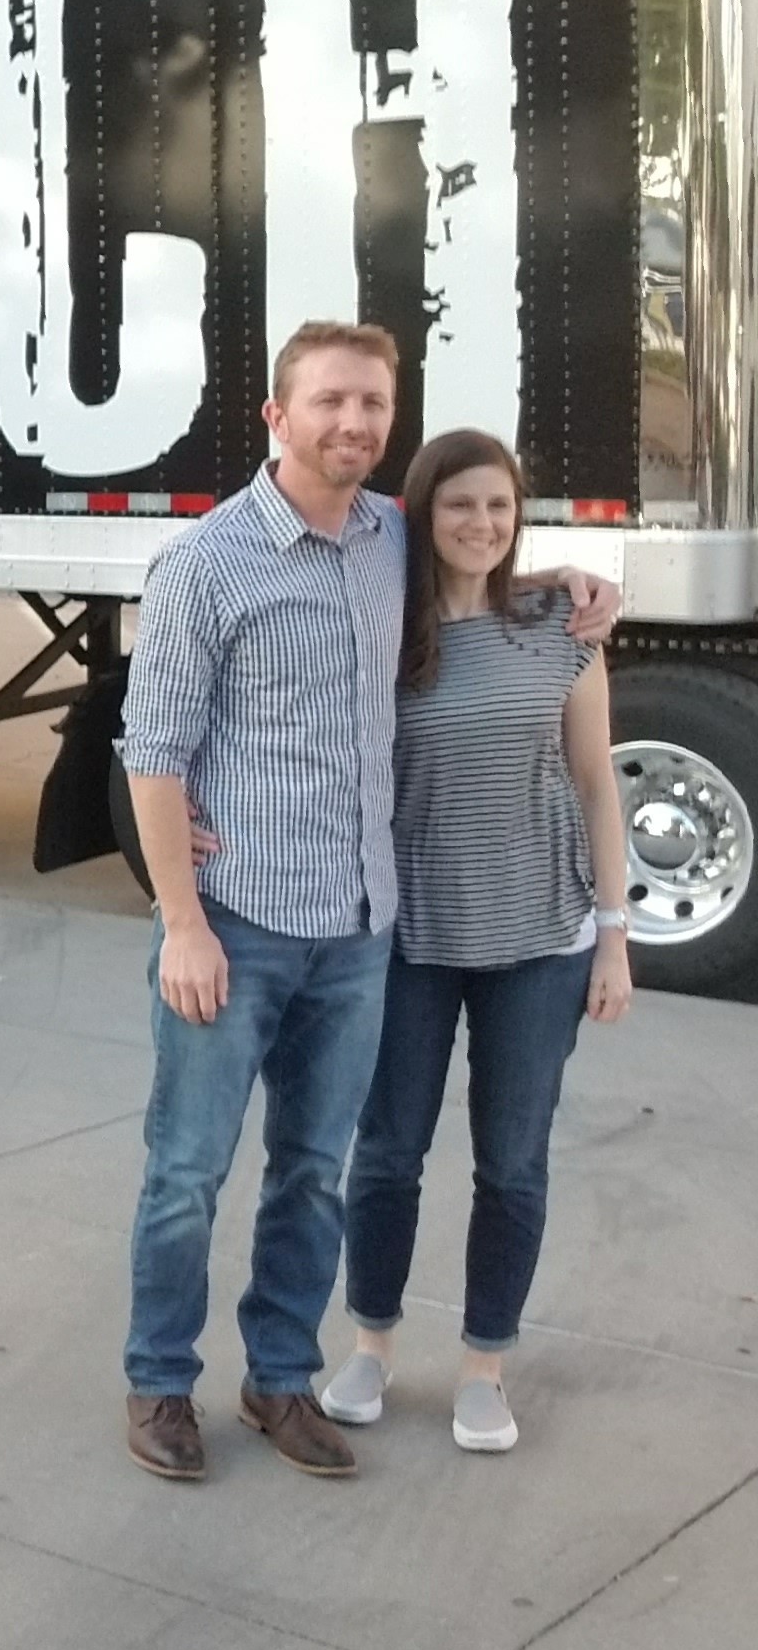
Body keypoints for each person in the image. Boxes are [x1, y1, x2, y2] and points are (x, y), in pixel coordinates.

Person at [112, 323, 613, 1486]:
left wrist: (570, 581)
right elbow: (154, 748)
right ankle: (160, 1383)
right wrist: (182, 921)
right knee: (187, 1172)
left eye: (374, 403)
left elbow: (479, 559)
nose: (354, 422)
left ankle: (280, 1378)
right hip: (236, 924)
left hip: (360, 928)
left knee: (312, 1171)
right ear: (277, 416)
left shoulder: (391, 537)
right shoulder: (207, 564)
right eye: (330, 400)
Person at [317, 429, 634, 1455]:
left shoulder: (562, 626)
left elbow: (596, 785)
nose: (482, 524)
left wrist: (615, 938)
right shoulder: (383, 628)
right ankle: (371, 1347)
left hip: (543, 940)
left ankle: (485, 1368)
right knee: (387, 1155)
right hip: (411, 938)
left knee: (513, 1163)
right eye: (460, 504)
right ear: (421, 512)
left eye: (500, 506)